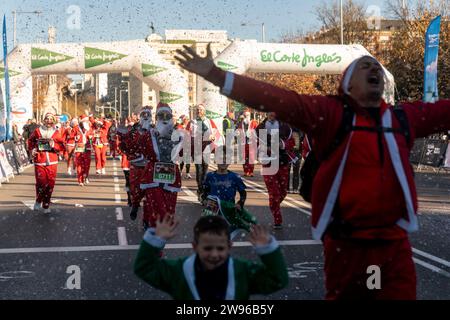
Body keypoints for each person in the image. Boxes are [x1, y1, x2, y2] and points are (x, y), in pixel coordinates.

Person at [175, 45, 450, 300]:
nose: (375, 69)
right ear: (348, 84)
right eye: (365, 66)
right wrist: (215, 74)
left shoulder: (404, 117)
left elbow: (444, 111)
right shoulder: (331, 113)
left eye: (377, 66)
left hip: (395, 244)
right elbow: (278, 99)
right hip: (349, 245)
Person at [134, 214, 288, 300]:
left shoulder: (242, 271)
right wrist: (155, 240)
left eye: (220, 248)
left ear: (229, 246)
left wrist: (268, 250)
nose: (214, 254)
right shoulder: (179, 271)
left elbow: (278, 280)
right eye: (207, 248)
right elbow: (144, 268)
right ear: (195, 247)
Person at [139, 102, 183, 230]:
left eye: (167, 116)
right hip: (154, 176)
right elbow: (140, 147)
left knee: (169, 208)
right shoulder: (149, 134)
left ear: (171, 117)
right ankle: (154, 238)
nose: (164, 119)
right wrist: (144, 129)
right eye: (161, 116)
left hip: (171, 176)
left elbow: (187, 152)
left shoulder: (179, 135)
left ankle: (158, 238)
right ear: (156, 118)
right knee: (157, 208)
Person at [202, 147, 256, 239]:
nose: (223, 162)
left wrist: (240, 203)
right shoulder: (210, 176)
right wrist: (204, 200)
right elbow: (205, 191)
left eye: (226, 159)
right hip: (212, 210)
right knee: (210, 235)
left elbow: (243, 193)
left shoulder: (235, 177)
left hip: (228, 210)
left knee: (225, 237)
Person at [257, 112, 295, 229]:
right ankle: (277, 219)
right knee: (274, 193)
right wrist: (265, 148)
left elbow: (292, 142)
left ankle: (274, 205)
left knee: (283, 192)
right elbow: (255, 143)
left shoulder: (285, 127)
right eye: (269, 111)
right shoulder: (261, 128)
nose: (272, 114)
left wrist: (282, 144)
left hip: (282, 162)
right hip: (268, 164)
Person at [119, 106, 153, 220]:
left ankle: (146, 218)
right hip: (137, 163)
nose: (146, 117)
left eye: (148, 115)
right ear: (140, 116)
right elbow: (125, 143)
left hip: (151, 164)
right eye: (144, 115)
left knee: (150, 191)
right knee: (135, 188)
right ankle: (135, 204)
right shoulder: (134, 129)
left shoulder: (154, 129)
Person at [27, 112, 65, 213]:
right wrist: (32, 150)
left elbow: (62, 146)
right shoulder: (37, 131)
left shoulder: (57, 132)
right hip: (40, 160)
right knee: (41, 183)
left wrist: (54, 145)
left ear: (53, 120)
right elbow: (30, 141)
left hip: (52, 162)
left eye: (51, 119)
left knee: (50, 185)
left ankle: (46, 205)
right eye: (47, 119)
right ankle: (38, 200)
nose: (49, 121)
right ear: (44, 120)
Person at [186, 104, 218, 203]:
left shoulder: (209, 121)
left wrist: (213, 136)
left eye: (201, 109)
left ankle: (203, 189)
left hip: (207, 147)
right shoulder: (192, 122)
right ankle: (201, 191)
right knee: (199, 170)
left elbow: (216, 131)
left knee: (205, 170)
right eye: (197, 110)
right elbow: (186, 134)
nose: (199, 111)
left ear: (204, 111)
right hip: (196, 148)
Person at [70, 115, 93, 186]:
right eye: (84, 120)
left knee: (87, 164)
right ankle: (80, 180)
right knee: (79, 164)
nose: (86, 122)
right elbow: (70, 136)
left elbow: (93, 137)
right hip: (79, 147)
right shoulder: (76, 128)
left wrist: (91, 138)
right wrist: (75, 137)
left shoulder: (89, 128)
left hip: (87, 147)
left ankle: (86, 176)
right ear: (81, 121)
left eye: (87, 121)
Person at [237, 108, 258, 177]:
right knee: (244, 158)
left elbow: (258, 132)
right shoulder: (241, 123)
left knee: (251, 158)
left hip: (251, 143)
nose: (246, 116)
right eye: (245, 115)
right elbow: (238, 132)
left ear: (250, 115)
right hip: (243, 143)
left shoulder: (254, 122)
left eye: (248, 115)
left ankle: (251, 171)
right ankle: (246, 171)